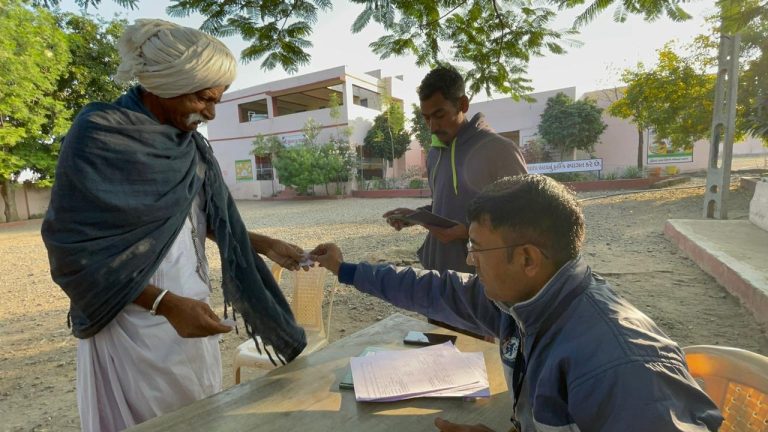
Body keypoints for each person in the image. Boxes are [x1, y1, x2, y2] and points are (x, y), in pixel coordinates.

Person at [41, 19, 307, 431]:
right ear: (165, 84)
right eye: (203, 98)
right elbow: (72, 254)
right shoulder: (98, 136)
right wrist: (164, 304)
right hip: (130, 325)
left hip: (192, 321)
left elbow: (193, 221)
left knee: (199, 419)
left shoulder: (190, 147)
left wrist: (264, 243)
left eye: (218, 101)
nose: (210, 112)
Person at [312, 174, 723, 432]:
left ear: (527, 258)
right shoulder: (521, 301)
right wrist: (344, 270)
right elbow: (432, 288)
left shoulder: (620, 366)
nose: (470, 261)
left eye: (477, 249)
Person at [383, 66, 527, 338]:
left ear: (462, 104)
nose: (433, 126)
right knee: (438, 359)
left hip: (481, 287)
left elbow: (525, 217)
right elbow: (443, 207)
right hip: (438, 283)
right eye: (426, 118)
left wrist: (464, 231)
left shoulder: (499, 149)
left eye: (440, 115)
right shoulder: (435, 155)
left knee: (477, 364)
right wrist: (415, 216)